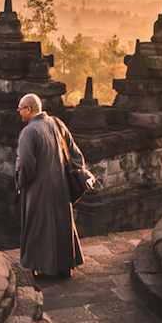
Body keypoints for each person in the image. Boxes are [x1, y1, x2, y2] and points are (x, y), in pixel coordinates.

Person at [15, 93, 94, 277]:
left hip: (38, 188)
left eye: (20, 109)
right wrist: (78, 173)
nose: (19, 113)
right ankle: (65, 266)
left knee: (38, 227)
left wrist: (21, 182)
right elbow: (75, 153)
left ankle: (43, 267)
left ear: (29, 109)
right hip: (60, 186)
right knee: (60, 225)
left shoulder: (29, 131)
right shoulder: (57, 123)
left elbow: (25, 163)